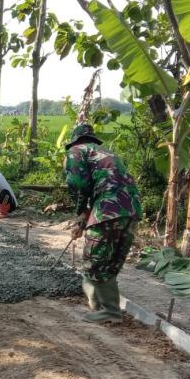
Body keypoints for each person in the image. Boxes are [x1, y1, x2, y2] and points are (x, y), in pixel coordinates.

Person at [65, 124, 142, 324]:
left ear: (75, 140)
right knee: (112, 261)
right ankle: (100, 305)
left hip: (108, 209)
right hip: (131, 209)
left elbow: (79, 184)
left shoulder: (76, 151)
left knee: (95, 260)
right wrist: (83, 219)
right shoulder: (106, 153)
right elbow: (101, 186)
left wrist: (80, 211)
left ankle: (110, 311)